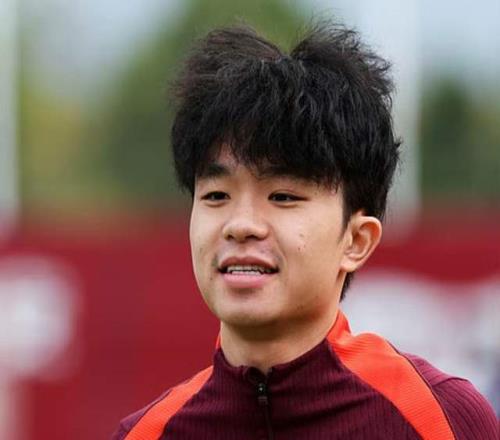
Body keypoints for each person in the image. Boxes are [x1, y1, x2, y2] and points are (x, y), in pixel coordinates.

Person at [112, 22, 498, 439]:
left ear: (356, 241)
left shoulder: (439, 420)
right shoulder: (146, 434)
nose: (240, 225)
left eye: (282, 196)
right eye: (217, 195)